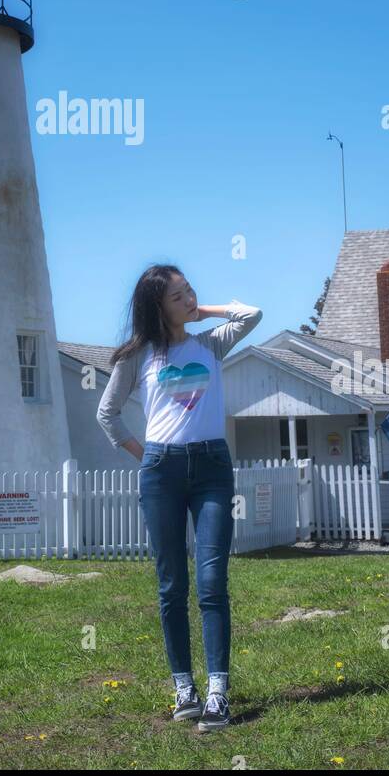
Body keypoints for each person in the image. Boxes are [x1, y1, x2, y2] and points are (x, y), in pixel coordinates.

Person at [96, 263, 262, 731]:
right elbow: (107, 414)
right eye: (178, 296)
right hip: (161, 471)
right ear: (155, 306)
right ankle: (184, 688)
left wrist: (199, 310)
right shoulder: (138, 356)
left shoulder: (210, 343)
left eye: (190, 291)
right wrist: (144, 455)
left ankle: (217, 694)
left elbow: (252, 314)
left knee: (211, 582)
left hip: (212, 468)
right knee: (171, 585)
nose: (189, 300)